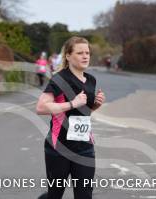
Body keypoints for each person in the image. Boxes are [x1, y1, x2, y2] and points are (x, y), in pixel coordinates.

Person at [36, 36, 105, 199]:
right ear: (68, 56)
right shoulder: (60, 79)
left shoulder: (91, 80)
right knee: (55, 194)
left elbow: (82, 113)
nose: (85, 56)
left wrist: (95, 105)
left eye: (87, 53)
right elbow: (41, 107)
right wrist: (72, 103)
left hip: (85, 147)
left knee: (84, 195)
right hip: (59, 148)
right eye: (80, 53)